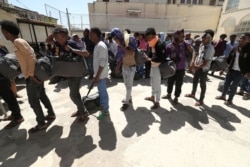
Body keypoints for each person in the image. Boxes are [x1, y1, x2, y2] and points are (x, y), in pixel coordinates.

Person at [1, 20, 55, 133]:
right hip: (35, 74)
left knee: (33, 101)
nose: (2, 34)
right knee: (42, 95)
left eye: (2, 31)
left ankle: (41, 124)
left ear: (6, 32)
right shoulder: (20, 41)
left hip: (32, 77)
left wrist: (31, 75)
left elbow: (31, 57)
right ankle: (50, 114)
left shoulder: (17, 42)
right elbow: (29, 57)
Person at [46, 27, 90, 121]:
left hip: (76, 73)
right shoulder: (58, 43)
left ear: (67, 36)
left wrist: (71, 49)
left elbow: (86, 53)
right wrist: (54, 33)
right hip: (69, 73)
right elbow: (48, 40)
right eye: (57, 37)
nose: (60, 39)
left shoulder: (71, 43)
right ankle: (80, 109)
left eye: (62, 37)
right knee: (75, 93)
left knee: (73, 95)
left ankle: (84, 112)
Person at [162, 29, 193, 104]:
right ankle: (169, 94)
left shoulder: (184, 44)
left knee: (179, 84)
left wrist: (186, 44)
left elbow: (192, 51)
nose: (182, 37)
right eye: (180, 35)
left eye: (183, 36)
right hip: (171, 68)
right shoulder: (169, 46)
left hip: (180, 68)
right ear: (175, 36)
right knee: (170, 82)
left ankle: (176, 97)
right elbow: (165, 56)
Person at [185, 32, 215, 106]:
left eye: (204, 38)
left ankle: (201, 100)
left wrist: (196, 67)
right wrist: (194, 63)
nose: (202, 39)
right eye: (202, 38)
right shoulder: (201, 45)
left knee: (202, 84)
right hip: (198, 67)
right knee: (195, 81)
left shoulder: (210, 48)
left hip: (203, 69)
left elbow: (205, 62)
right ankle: (193, 93)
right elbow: (198, 55)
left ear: (208, 39)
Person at [111, 28, 137, 111]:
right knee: (126, 85)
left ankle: (126, 103)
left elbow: (130, 52)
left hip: (131, 67)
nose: (115, 40)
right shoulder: (121, 43)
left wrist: (121, 45)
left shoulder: (128, 41)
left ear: (118, 35)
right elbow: (122, 56)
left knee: (129, 86)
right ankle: (129, 98)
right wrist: (118, 66)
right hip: (125, 67)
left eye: (115, 38)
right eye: (114, 39)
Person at [0, 43, 24, 129]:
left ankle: (18, 117)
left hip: (2, 77)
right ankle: (15, 114)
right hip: (4, 76)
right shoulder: (2, 47)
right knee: (8, 97)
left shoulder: (2, 48)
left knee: (9, 97)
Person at [89, 27, 110, 120]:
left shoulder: (101, 46)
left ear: (96, 35)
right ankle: (104, 109)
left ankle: (105, 111)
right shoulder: (97, 45)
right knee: (102, 93)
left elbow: (102, 63)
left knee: (103, 93)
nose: (90, 36)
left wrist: (97, 76)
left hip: (101, 75)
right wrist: (95, 75)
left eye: (91, 34)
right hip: (99, 75)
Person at [144, 27, 166, 109]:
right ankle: (152, 96)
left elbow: (162, 58)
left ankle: (157, 102)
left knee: (157, 85)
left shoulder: (160, 44)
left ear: (154, 35)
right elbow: (151, 55)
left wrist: (150, 59)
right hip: (153, 66)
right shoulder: (151, 44)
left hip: (158, 68)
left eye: (149, 37)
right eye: (147, 38)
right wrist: (146, 56)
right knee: (152, 83)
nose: (148, 39)